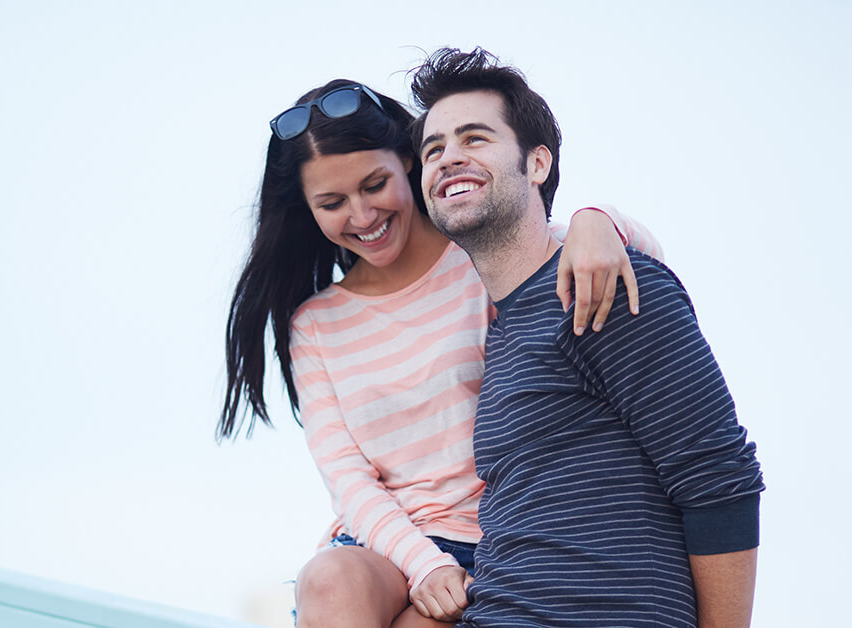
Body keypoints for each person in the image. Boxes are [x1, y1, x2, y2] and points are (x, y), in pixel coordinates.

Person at [219, 79, 663, 627]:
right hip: (388, 550)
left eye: (375, 185)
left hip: (499, 540)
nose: (362, 215)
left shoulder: (481, 257)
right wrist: (426, 565)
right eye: (332, 203)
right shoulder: (313, 326)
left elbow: (642, 255)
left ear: (407, 161)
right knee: (328, 580)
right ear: (308, 210)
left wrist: (599, 219)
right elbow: (348, 479)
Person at [410, 47, 765, 627]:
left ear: (537, 164)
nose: (449, 158)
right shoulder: (500, 333)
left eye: (474, 138)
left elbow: (718, 479)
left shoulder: (601, 286)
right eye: (433, 150)